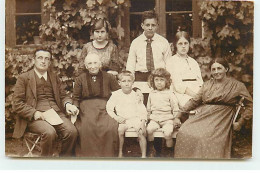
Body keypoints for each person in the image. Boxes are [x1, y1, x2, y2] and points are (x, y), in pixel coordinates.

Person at [173, 58, 253, 159]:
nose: (216, 72)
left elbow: (251, 105)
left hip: (221, 119)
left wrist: (240, 122)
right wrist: (178, 115)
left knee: (204, 138)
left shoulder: (237, 86)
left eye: (219, 68)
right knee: (184, 131)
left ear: (226, 69)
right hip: (204, 116)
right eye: (213, 69)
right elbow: (194, 101)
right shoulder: (207, 85)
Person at [12, 48, 78, 157]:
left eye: (47, 59)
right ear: (34, 60)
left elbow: (63, 95)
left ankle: (64, 161)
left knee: (72, 132)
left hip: (56, 114)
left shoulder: (54, 77)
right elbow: (17, 103)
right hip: (36, 117)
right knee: (49, 132)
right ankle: (45, 163)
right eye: (40, 58)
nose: (43, 61)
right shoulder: (24, 78)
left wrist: (68, 104)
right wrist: (34, 113)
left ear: (50, 62)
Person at [73, 53, 120, 157]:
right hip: (86, 108)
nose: (93, 66)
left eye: (95, 63)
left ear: (100, 64)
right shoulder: (80, 78)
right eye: (89, 63)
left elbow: (118, 93)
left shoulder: (109, 77)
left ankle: (107, 157)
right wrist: (75, 108)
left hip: (106, 107)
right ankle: (89, 158)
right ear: (86, 66)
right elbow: (76, 97)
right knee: (86, 128)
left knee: (110, 127)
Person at [106, 71, 147, 158]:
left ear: (133, 82)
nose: (127, 83)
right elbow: (109, 109)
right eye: (124, 81)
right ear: (119, 83)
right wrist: (116, 117)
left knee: (140, 132)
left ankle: (143, 155)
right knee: (120, 130)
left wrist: (143, 122)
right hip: (124, 120)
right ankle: (120, 153)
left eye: (129, 81)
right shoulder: (116, 95)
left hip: (136, 119)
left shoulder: (136, 95)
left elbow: (142, 109)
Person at [146, 68, 179, 157]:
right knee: (149, 130)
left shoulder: (170, 94)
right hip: (155, 119)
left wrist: (175, 118)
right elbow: (148, 108)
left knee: (168, 133)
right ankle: (152, 149)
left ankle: (169, 151)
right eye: (156, 80)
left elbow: (175, 108)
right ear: (153, 81)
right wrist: (148, 118)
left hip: (167, 119)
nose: (159, 82)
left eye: (162, 80)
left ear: (167, 81)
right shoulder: (151, 93)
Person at [166, 31, 203, 108]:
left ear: (189, 44)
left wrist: (200, 95)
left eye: (186, 43)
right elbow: (178, 86)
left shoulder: (193, 62)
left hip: (197, 93)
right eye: (180, 44)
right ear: (175, 45)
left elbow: (200, 82)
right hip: (181, 94)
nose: (183, 46)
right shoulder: (171, 61)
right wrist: (195, 96)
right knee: (192, 105)